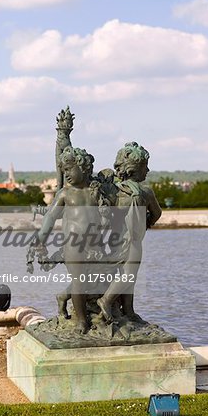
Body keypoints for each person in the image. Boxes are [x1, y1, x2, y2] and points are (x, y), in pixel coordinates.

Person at [31, 146, 106, 334]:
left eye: (69, 169)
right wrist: (40, 240)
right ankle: (81, 320)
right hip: (74, 245)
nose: (66, 174)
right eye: (63, 171)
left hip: (95, 244)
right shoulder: (65, 194)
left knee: (101, 278)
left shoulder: (96, 192)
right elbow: (49, 218)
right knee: (80, 282)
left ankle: (65, 298)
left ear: (83, 167)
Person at [97, 142, 162, 324]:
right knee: (130, 275)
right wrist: (147, 223)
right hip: (133, 241)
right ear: (135, 169)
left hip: (114, 240)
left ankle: (128, 310)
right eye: (145, 166)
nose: (147, 170)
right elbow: (157, 213)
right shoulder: (145, 192)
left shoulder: (112, 191)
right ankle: (106, 300)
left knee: (125, 274)